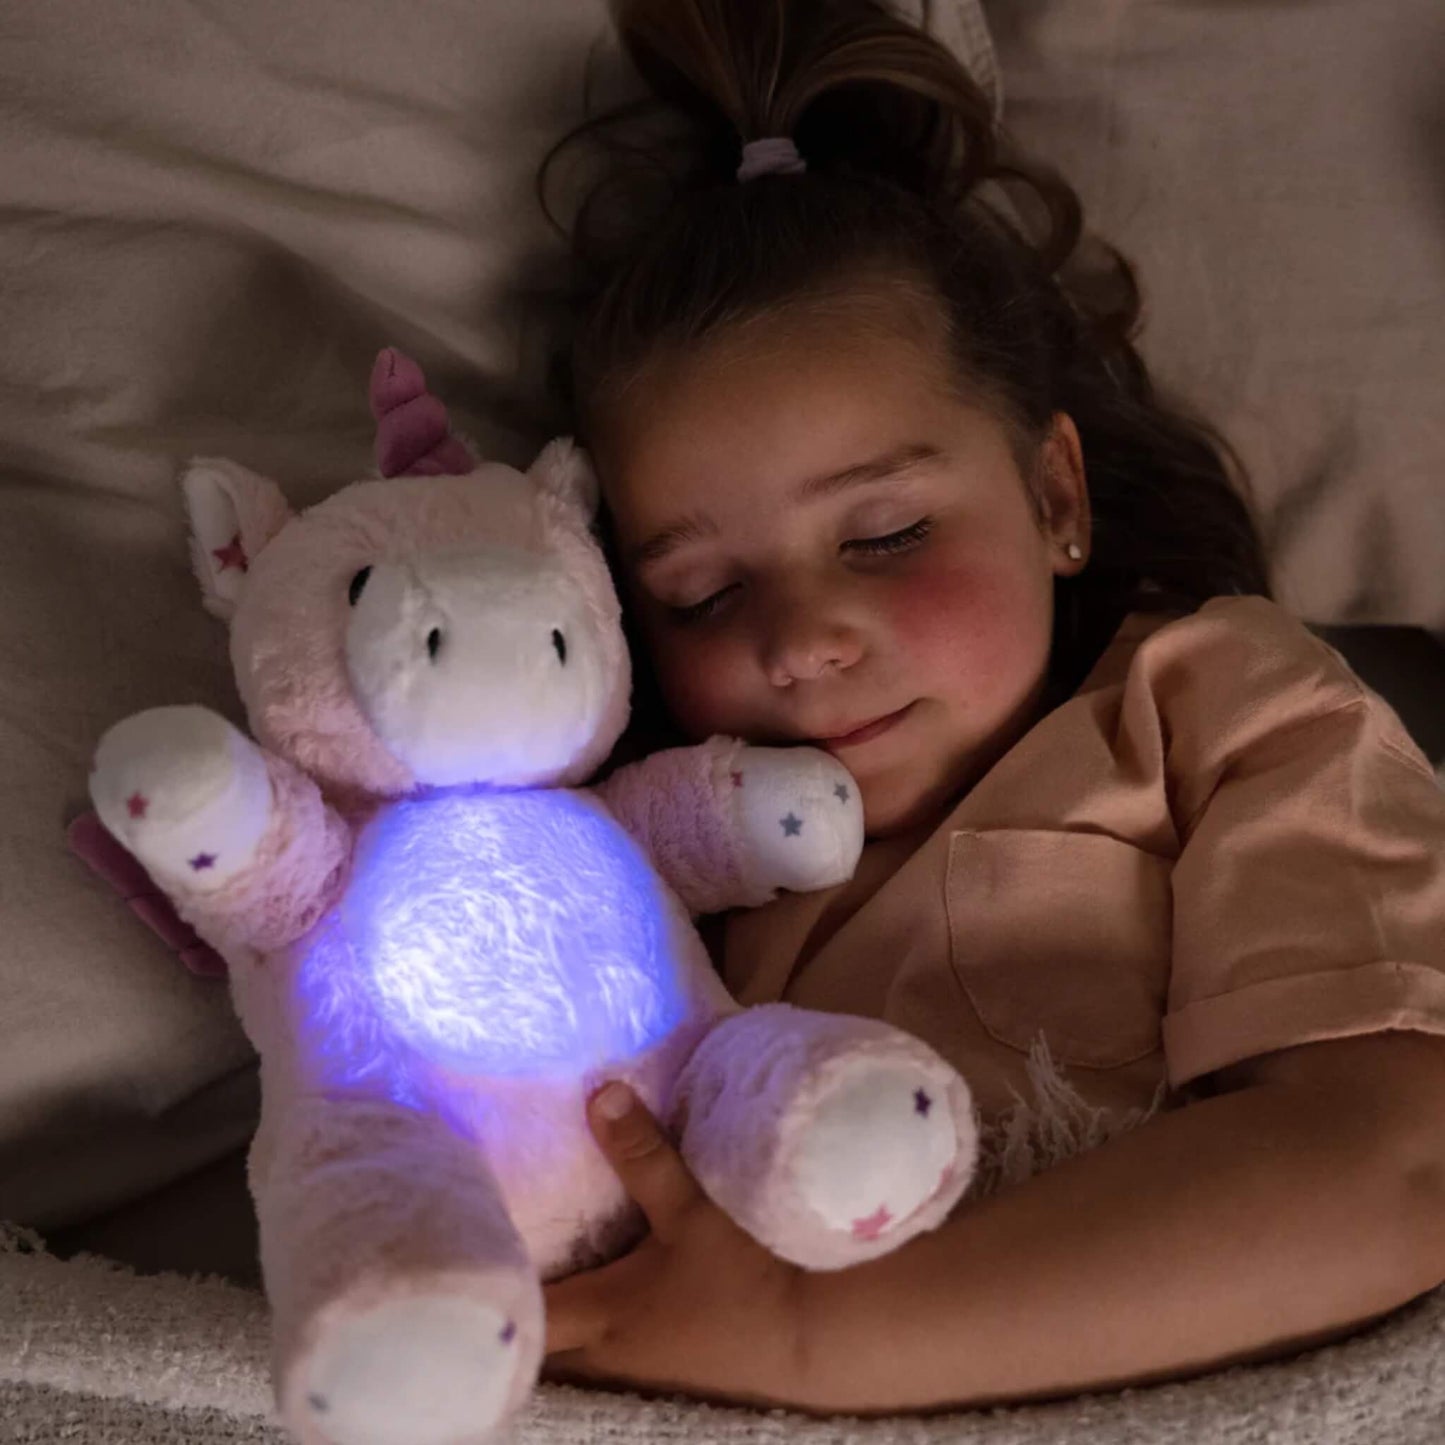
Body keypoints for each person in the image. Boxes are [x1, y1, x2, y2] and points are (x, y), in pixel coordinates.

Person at [537, 0, 1445, 1415]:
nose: (799, 642)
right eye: (703, 595)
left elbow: (1388, 1164)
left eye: (885, 533)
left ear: (1052, 496)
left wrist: (806, 1338)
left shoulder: (1220, 710)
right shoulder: (661, 864)